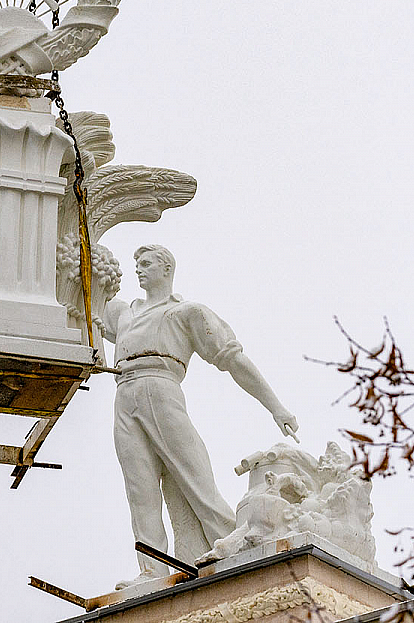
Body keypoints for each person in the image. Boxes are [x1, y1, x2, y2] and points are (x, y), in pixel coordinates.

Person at [103, 244, 299, 589]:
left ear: (167, 269)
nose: (139, 269)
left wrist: (276, 407)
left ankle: (233, 541)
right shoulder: (123, 313)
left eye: (146, 263)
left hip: (161, 387)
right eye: (136, 264)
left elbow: (233, 359)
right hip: (123, 392)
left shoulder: (186, 312)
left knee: (194, 477)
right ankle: (152, 569)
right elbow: (79, 303)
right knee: (140, 487)